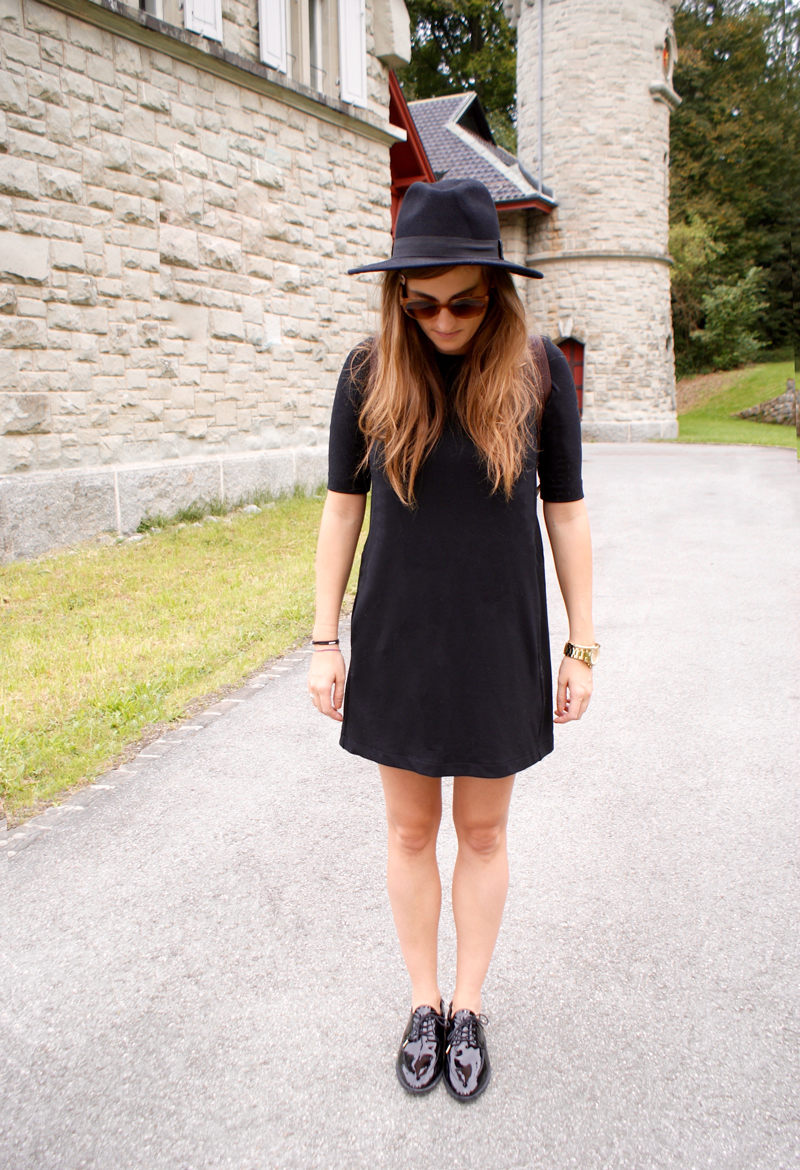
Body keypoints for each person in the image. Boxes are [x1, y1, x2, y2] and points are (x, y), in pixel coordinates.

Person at [308, 178, 597, 1102]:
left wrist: (582, 645)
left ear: (497, 294)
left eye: (464, 303)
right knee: (407, 829)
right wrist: (323, 640)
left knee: (482, 830)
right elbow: (342, 510)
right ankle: (422, 1002)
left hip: (496, 638)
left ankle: (468, 1005)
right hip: (399, 636)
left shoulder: (539, 371)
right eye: (421, 303)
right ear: (398, 297)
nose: (442, 320)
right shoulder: (367, 373)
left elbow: (566, 513)